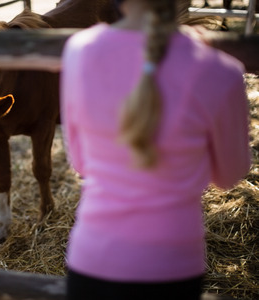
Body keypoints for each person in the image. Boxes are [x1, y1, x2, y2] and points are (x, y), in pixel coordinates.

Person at [60, 0, 251, 299]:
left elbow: (81, 162)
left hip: (93, 258)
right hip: (172, 263)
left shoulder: (79, 51)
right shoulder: (220, 71)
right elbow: (229, 175)